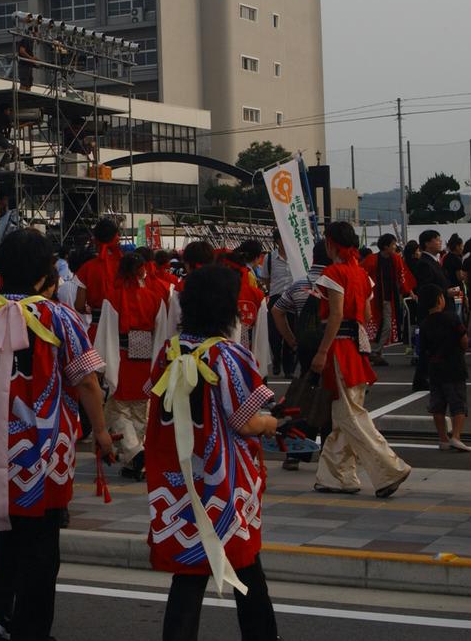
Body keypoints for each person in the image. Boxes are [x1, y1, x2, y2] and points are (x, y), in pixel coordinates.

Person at [0, 228, 112, 641]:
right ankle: (31, 627)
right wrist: (102, 432)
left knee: (9, 528)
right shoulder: (60, 317)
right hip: (44, 448)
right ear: (43, 274)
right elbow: (87, 381)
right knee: (42, 541)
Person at [145, 264, 279, 641]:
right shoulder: (229, 355)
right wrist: (270, 423)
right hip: (223, 481)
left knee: (188, 573)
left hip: (178, 480)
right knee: (244, 562)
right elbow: (244, 421)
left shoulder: (169, 352)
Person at [311, 222, 411, 497]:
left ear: (331, 243)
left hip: (339, 347)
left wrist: (321, 351)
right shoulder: (362, 274)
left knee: (349, 415)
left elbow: (335, 315)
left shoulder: (332, 273)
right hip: (358, 345)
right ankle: (337, 477)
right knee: (344, 414)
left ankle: (390, 468)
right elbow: (366, 315)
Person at [102, 252, 167, 480]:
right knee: (141, 413)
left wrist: (103, 367)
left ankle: (134, 452)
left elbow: (106, 335)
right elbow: (161, 335)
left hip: (120, 360)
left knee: (116, 410)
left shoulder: (113, 297)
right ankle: (138, 460)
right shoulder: (155, 298)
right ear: (143, 270)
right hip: (146, 361)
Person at [270, 242, 333, 471]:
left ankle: (295, 453)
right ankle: (328, 453)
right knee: (329, 400)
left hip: (304, 352)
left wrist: (291, 340)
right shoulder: (335, 284)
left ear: (313, 258)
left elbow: (277, 310)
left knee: (301, 400)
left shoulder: (299, 285)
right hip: (331, 351)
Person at [415, 284, 470, 453]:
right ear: (440, 300)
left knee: (438, 405)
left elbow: (422, 349)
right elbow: (464, 339)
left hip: (435, 369)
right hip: (454, 366)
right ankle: (456, 436)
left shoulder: (424, 324)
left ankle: (443, 438)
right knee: (458, 403)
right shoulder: (452, 318)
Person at [362, 234, 415, 367]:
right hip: (373, 299)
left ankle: (376, 351)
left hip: (387, 299)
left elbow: (402, 276)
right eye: (393, 244)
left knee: (386, 326)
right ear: (386, 246)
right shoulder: (372, 259)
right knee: (374, 326)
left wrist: (409, 291)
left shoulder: (396, 259)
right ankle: (375, 352)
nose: (395, 247)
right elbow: (361, 276)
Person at [264, 234, 295, 377]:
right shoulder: (270, 258)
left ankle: (288, 369)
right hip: (276, 298)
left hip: (292, 299)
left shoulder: (295, 257)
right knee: (274, 334)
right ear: (278, 241)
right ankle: (276, 359)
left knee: (290, 332)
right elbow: (266, 279)